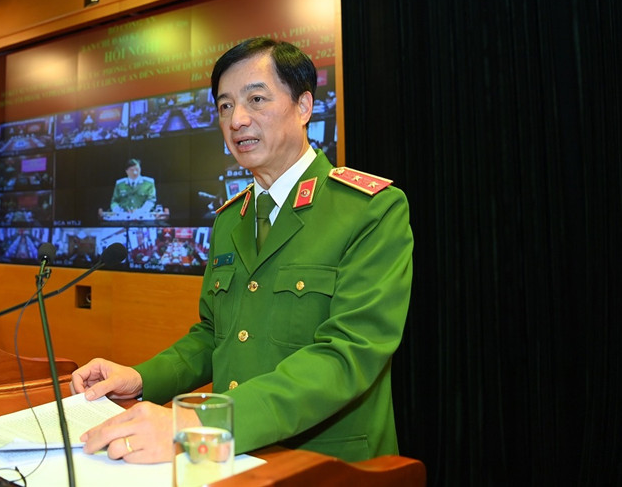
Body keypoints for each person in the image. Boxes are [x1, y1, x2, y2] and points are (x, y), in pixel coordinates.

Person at [72, 38, 413, 464]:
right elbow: (214, 336)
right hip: (233, 460)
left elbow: (349, 354)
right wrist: (141, 378)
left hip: (328, 465)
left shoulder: (369, 209)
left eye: (256, 99)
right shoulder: (231, 218)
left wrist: (202, 422)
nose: (237, 120)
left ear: (304, 106)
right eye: (225, 106)